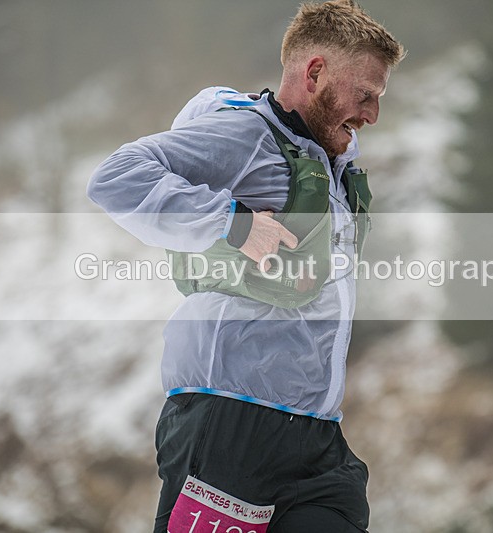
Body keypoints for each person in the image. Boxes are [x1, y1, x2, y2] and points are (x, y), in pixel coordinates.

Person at [87, 1, 403, 531]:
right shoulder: (245, 137)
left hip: (315, 435)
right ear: (316, 73)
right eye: (365, 94)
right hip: (229, 422)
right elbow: (116, 177)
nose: (372, 114)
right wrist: (234, 224)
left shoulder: (328, 163)